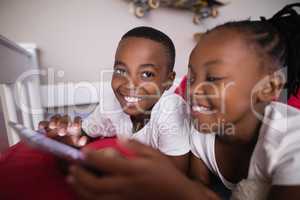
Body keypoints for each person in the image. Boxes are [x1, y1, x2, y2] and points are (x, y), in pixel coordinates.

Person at [67, 3, 300, 200]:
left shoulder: (292, 138)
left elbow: (190, 190)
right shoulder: (200, 131)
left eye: (213, 78)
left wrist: (181, 190)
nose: (194, 90)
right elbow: (201, 186)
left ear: (268, 88)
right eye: (192, 77)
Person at [39, 26, 190, 172]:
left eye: (147, 74)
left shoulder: (171, 108)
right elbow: (85, 132)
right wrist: (67, 137)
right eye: (120, 71)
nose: (129, 84)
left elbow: (177, 174)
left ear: (168, 80)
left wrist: (120, 167)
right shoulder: (113, 102)